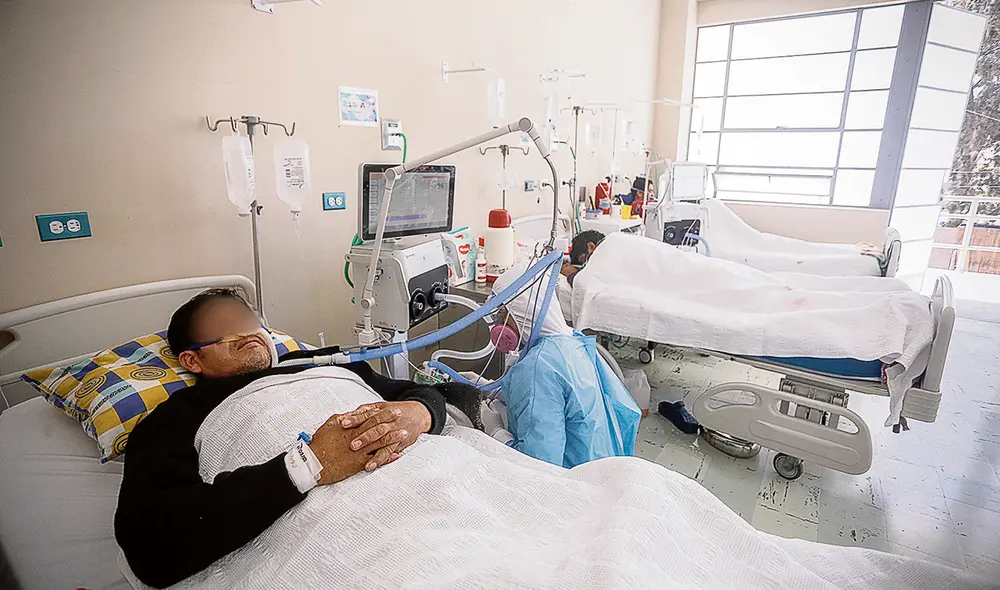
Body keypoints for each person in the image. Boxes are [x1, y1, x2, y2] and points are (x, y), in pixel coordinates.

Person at [114, 288, 481, 588]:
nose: (243, 330)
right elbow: (152, 548)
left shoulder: (328, 364)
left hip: (438, 483)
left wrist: (417, 415)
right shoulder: (175, 415)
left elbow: (425, 393)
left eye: (246, 319)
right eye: (220, 325)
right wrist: (308, 463)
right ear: (193, 361)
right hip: (344, 533)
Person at [490, 258, 641, 468]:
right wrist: (499, 390)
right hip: (601, 461)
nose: (499, 320)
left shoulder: (538, 367)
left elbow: (540, 464)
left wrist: (496, 433)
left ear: (524, 311)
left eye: (504, 312)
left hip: (572, 480)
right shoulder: (570, 340)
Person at [558, 231, 701, 436]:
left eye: (584, 260)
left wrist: (572, 274)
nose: (586, 266)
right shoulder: (618, 240)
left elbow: (590, 282)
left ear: (591, 247)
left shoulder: (611, 246)